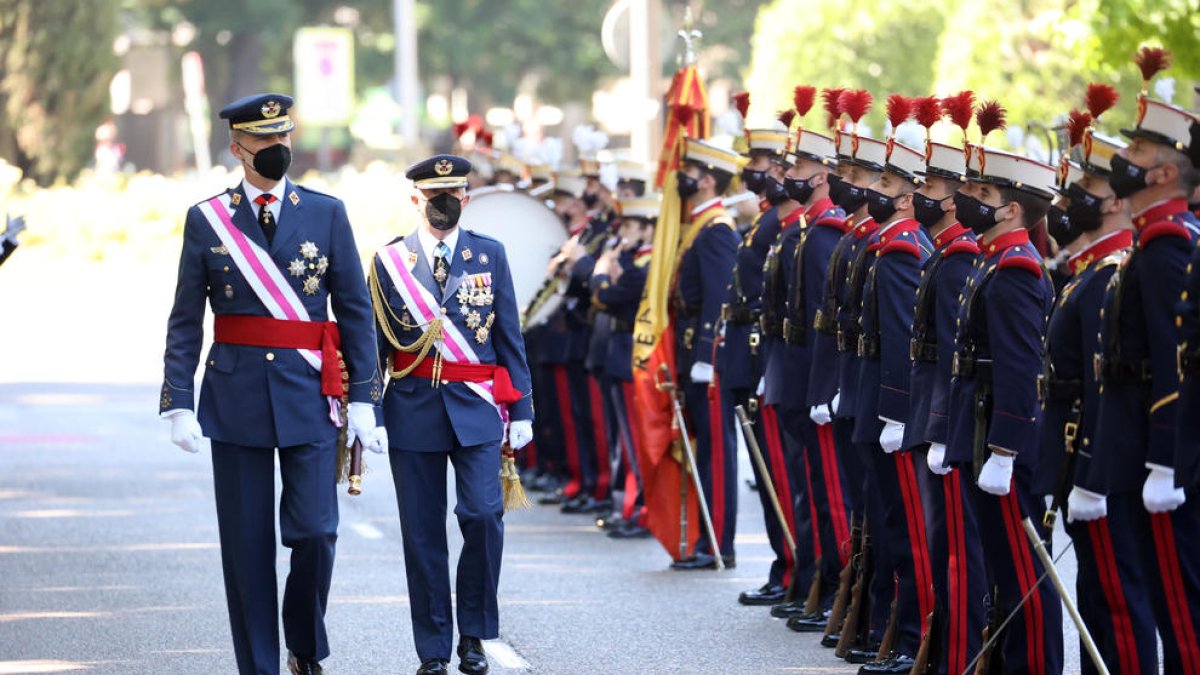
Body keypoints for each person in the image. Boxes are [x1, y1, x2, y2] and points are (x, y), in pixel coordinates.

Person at [160, 93, 385, 675]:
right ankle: (258, 666)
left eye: (284, 139)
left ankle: (303, 644)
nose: (278, 149)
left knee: (315, 531)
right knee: (247, 547)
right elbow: (187, 319)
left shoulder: (326, 212)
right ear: (238, 149)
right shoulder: (208, 219)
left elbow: (355, 312)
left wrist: (365, 396)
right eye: (264, 143)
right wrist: (177, 402)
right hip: (234, 399)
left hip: (310, 394)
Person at [369, 154, 534, 675]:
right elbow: (374, 345)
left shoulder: (490, 255)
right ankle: (434, 649)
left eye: (454, 194)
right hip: (413, 406)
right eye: (434, 195)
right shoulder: (389, 261)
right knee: (422, 534)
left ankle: (474, 634)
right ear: (415, 199)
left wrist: (523, 407)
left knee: (484, 516)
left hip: (477, 408)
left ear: (466, 197)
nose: (445, 203)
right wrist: (366, 411)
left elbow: (509, 335)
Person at [1090, 84, 1200, 672]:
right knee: (1168, 598)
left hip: (1163, 455)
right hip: (1146, 446)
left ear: (1161, 174)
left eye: (1134, 151)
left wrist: (1164, 458)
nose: (1121, 161)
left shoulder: (1164, 248)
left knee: (1179, 609)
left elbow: (1174, 358)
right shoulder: (1151, 243)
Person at [944, 146, 1064, 674]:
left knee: (1021, 571)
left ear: (1012, 209)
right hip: (981, 425)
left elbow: (1019, 368)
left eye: (982, 194)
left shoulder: (1014, 269)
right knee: (1000, 564)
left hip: (1003, 438)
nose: (967, 198)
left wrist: (1003, 449)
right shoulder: (993, 259)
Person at [670, 138, 742, 570]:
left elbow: (719, 298)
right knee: (705, 448)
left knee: (717, 449)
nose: (682, 179)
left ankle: (717, 542)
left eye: (690, 171)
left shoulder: (716, 229)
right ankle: (706, 537)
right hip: (692, 348)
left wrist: (704, 354)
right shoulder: (698, 223)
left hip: (708, 354)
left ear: (708, 179)